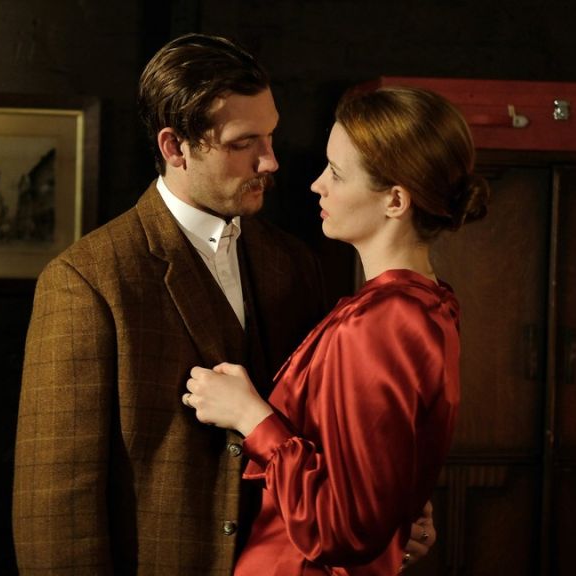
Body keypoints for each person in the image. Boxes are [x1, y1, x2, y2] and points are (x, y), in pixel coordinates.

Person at [13, 34, 435, 575]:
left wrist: (387, 508)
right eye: (243, 143)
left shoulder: (294, 263)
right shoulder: (86, 282)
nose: (270, 161)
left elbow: (336, 435)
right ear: (175, 147)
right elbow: (55, 513)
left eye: (271, 135)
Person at [183, 85, 490, 575]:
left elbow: (339, 528)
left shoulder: (381, 322)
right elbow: (372, 480)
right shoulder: (428, 305)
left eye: (337, 173)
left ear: (395, 200)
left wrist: (250, 416)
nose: (317, 185)